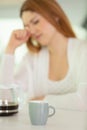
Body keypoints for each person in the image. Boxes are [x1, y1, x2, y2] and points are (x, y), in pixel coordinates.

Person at [0, 0, 87, 101]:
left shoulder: (83, 50)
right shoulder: (31, 59)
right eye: (27, 26)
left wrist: (42, 100)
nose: (31, 31)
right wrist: (10, 49)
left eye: (36, 22)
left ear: (55, 16)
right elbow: (6, 98)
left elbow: (84, 100)